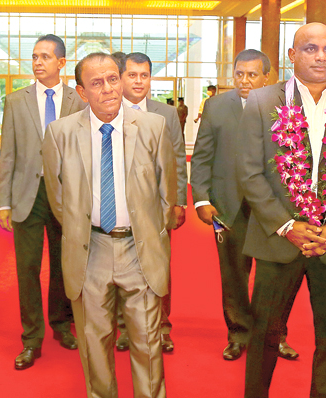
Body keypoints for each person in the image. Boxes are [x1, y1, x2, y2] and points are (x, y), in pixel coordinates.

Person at [237, 23, 326, 397]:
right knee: (265, 333)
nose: (321, 56)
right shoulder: (263, 101)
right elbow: (249, 173)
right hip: (278, 241)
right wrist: (287, 225)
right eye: (311, 48)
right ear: (292, 55)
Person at [42, 52, 176, 398]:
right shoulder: (60, 134)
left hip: (139, 249)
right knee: (94, 342)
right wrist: (86, 232)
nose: (108, 89)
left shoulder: (152, 127)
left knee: (148, 343)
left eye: (113, 79)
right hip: (90, 250)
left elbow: (166, 194)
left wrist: (148, 233)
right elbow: (58, 200)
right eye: (97, 83)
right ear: (82, 92)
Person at [191, 49, 298, 362]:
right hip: (229, 206)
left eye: (252, 74)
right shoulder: (215, 107)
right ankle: (238, 334)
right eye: (239, 74)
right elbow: (201, 157)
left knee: (276, 275)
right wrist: (201, 198)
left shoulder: (286, 106)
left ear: (267, 76)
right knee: (234, 275)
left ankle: (274, 336)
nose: (245, 80)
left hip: (273, 207)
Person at [0, 34, 86, 370]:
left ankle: (62, 324)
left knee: (65, 267)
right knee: (28, 268)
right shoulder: (16, 100)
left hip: (66, 198)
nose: (37, 62)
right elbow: (9, 155)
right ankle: (31, 338)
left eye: (45, 57)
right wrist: (3, 201)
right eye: (34, 57)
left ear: (61, 62)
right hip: (26, 197)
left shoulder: (78, 102)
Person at [117, 51, 188, 353]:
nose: (138, 81)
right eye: (132, 75)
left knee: (158, 269)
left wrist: (179, 201)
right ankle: (124, 329)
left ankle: (162, 327)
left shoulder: (166, 113)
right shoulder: (108, 109)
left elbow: (177, 159)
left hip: (157, 207)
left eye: (144, 75)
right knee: (121, 269)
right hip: (117, 206)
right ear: (121, 78)